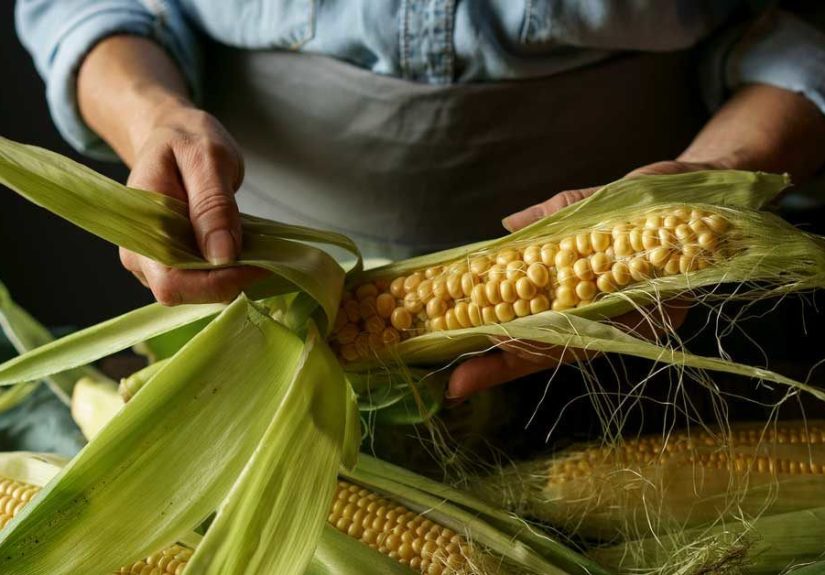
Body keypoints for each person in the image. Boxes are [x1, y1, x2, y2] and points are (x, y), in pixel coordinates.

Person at [15, 1, 825, 400]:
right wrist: (151, 117)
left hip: (644, 334)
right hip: (258, 303)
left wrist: (717, 174)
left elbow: (793, 23)